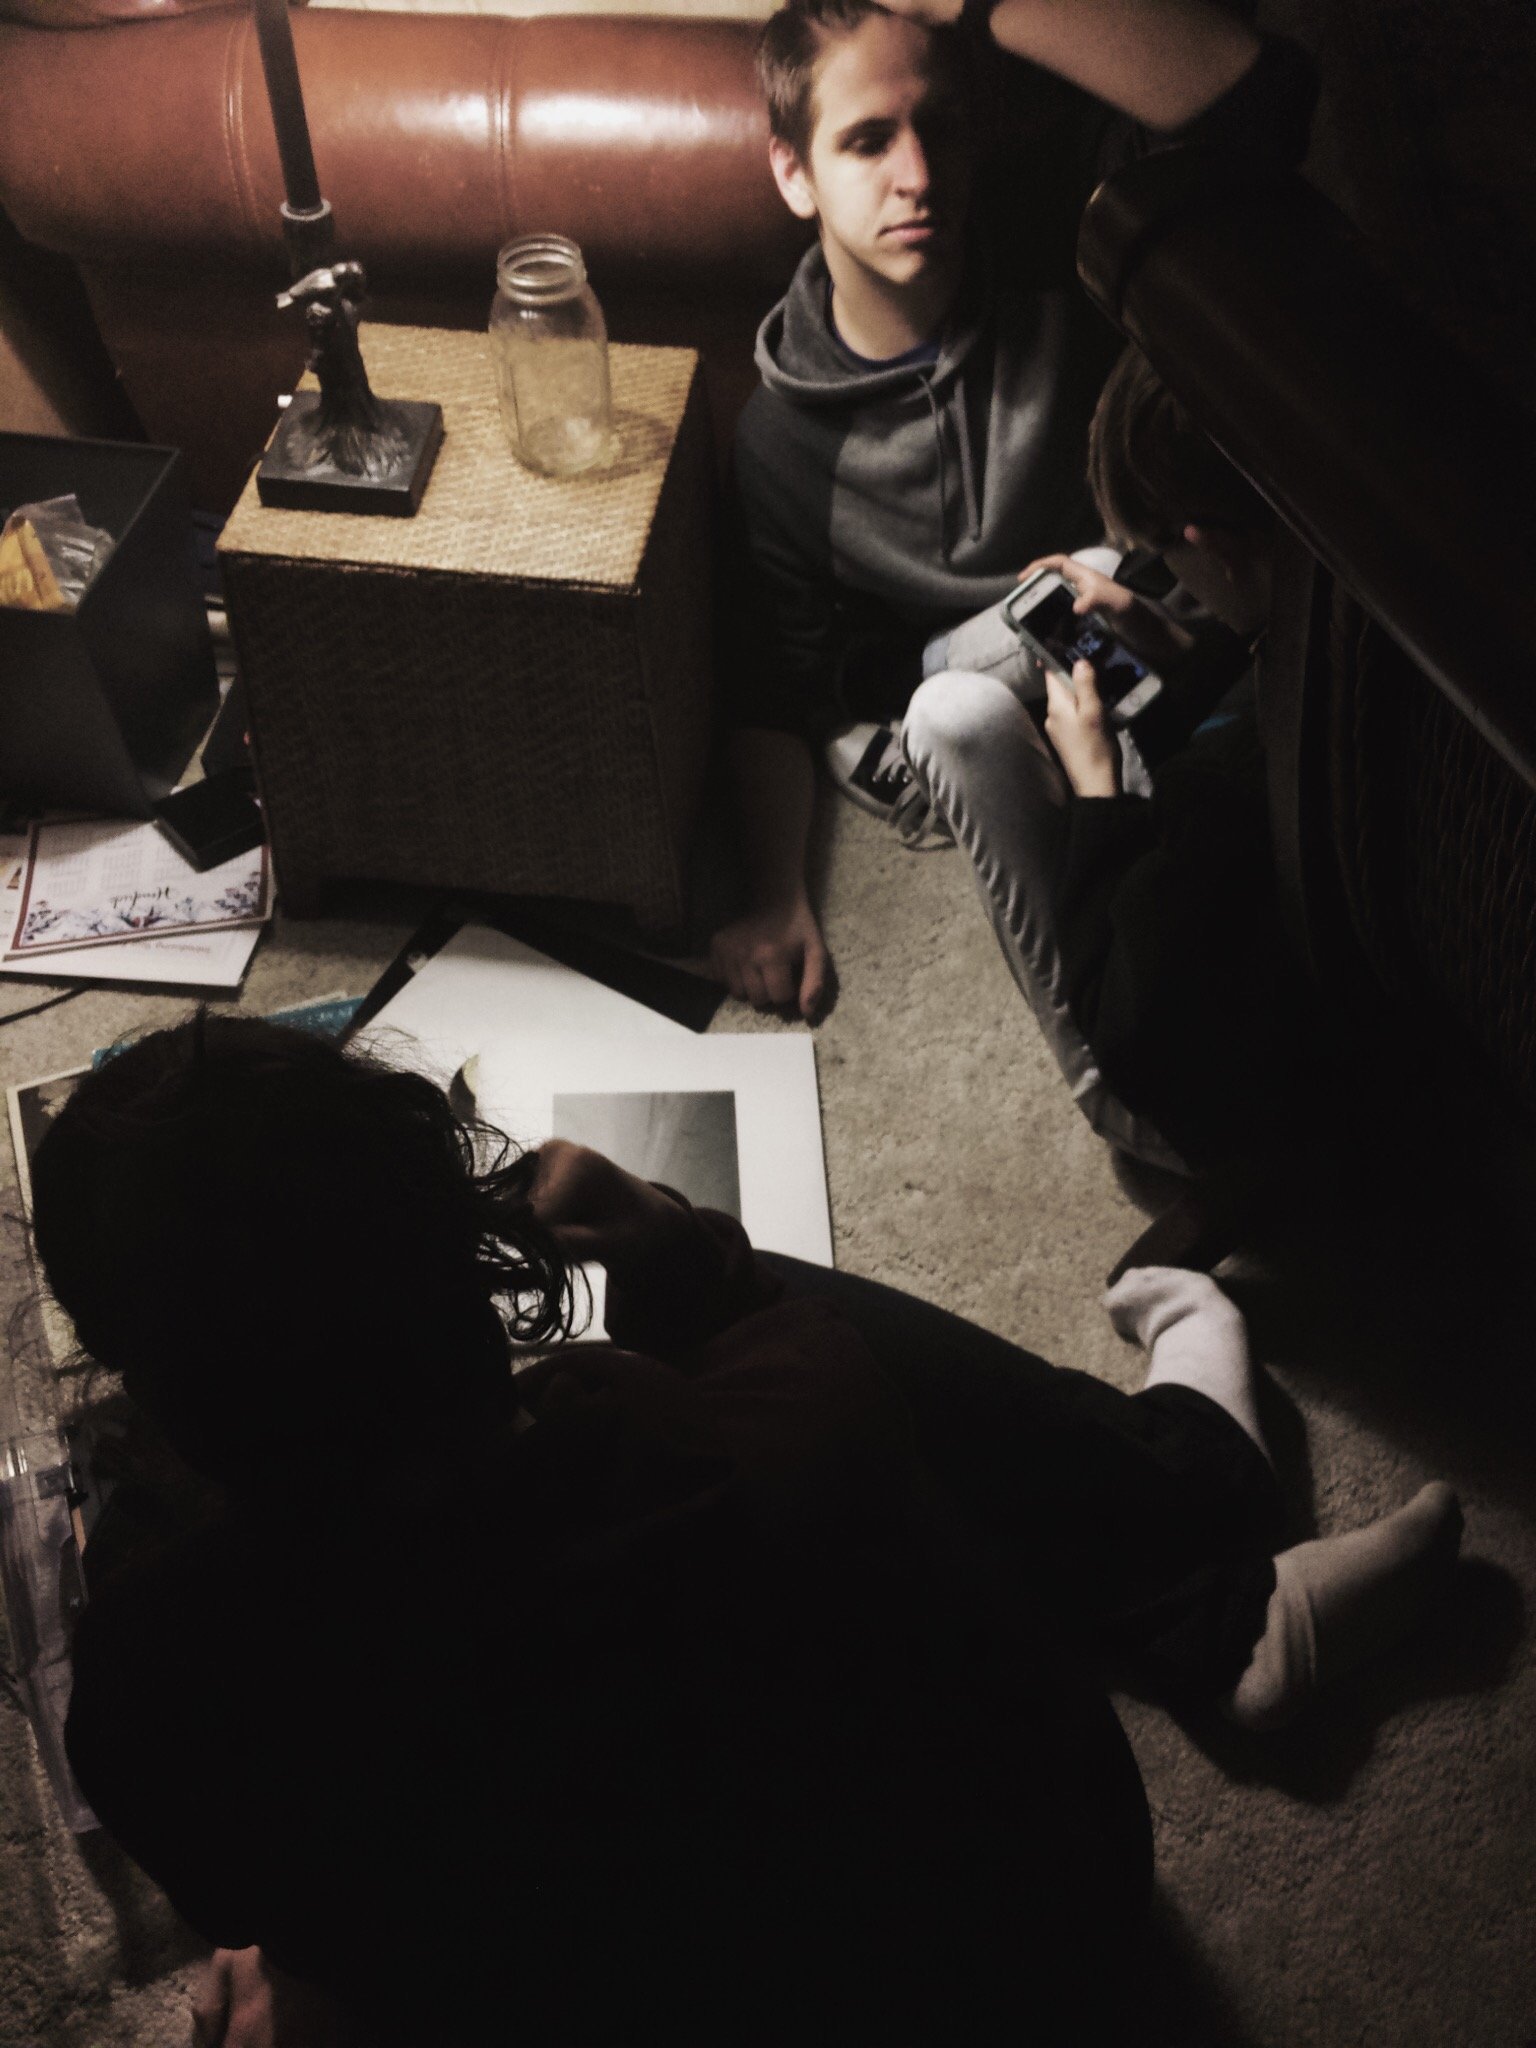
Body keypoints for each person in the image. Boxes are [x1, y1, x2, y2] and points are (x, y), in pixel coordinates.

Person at [34, 1015, 1462, 2046]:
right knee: (812, 1327)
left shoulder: (151, 1689)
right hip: (1033, 1943)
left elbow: (324, 1906)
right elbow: (785, 1361)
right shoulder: (759, 1434)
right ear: (444, 1240)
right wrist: (671, 1245)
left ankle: (1218, 1602)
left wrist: (308, 1968)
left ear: (148, 1376)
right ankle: (1203, 1539)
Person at [709, 0, 1316, 1019]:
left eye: (939, 128)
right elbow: (777, 694)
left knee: (1222, 900)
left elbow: (1260, 102)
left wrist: (972, 3)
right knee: (964, 699)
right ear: (794, 173)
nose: (919, 176)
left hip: (1128, 651)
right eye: (867, 141)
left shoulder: (1055, 250)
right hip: (939, 713)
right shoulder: (781, 440)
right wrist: (776, 899)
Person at [902, 340, 1300, 1168]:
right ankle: (934, 668)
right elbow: (1248, 686)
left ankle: (916, 690)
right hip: (1276, 968)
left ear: (1217, 548)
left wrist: (1096, 794)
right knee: (1089, 577)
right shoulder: (1332, 595)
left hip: (1212, 1116)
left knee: (949, 720)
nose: (1160, 567)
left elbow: (1129, 1034)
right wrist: (1165, 637)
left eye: (1166, 553)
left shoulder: (1217, 796)